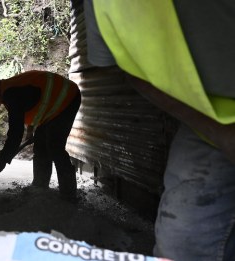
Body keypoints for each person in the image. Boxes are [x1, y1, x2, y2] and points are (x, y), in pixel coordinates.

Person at [84, 0, 235, 260]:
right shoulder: (100, 6)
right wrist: (217, 131)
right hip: (210, 118)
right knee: (183, 241)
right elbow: (132, 70)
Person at [0, 71, 81, 199]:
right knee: (40, 145)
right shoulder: (8, 91)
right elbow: (35, 99)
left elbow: (15, 134)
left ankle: (69, 195)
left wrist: (2, 159)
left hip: (67, 98)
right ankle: (40, 186)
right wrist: (31, 129)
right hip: (52, 108)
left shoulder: (11, 94)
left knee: (54, 146)